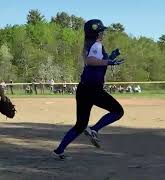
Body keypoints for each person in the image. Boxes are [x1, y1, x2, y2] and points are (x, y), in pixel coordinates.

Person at [53, 19, 125, 160]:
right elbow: (91, 61)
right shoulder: (97, 45)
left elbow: (97, 64)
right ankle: (94, 129)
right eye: (101, 31)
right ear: (96, 32)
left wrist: (111, 57)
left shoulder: (89, 45)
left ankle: (60, 150)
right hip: (93, 90)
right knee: (118, 111)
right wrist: (110, 61)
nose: (103, 33)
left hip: (83, 89)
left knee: (80, 125)